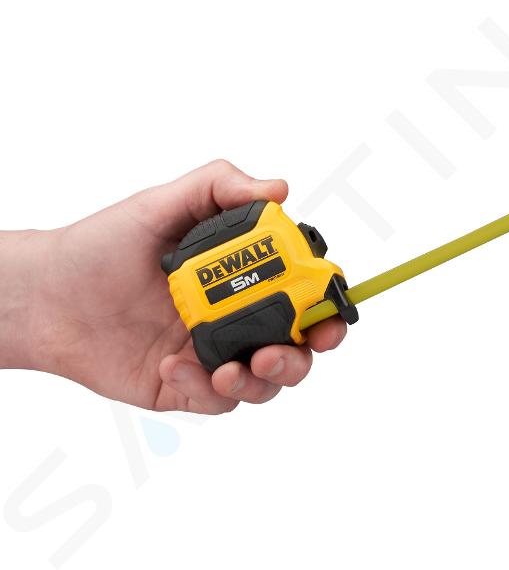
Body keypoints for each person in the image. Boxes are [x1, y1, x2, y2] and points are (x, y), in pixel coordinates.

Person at [0, 160, 347, 414]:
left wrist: (43, 297)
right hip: (204, 323)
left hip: (202, 319)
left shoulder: (270, 221)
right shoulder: (294, 251)